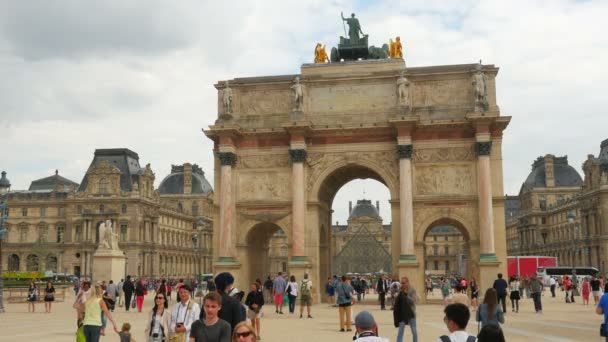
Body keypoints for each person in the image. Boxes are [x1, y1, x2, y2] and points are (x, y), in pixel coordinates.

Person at [393, 277, 418, 342]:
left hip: (411, 313)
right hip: (403, 313)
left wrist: (406, 297)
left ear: (407, 282)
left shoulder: (412, 290)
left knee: (414, 331)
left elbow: (414, 301)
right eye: (401, 283)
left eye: (403, 283)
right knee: (400, 331)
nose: (402, 284)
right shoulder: (400, 290)